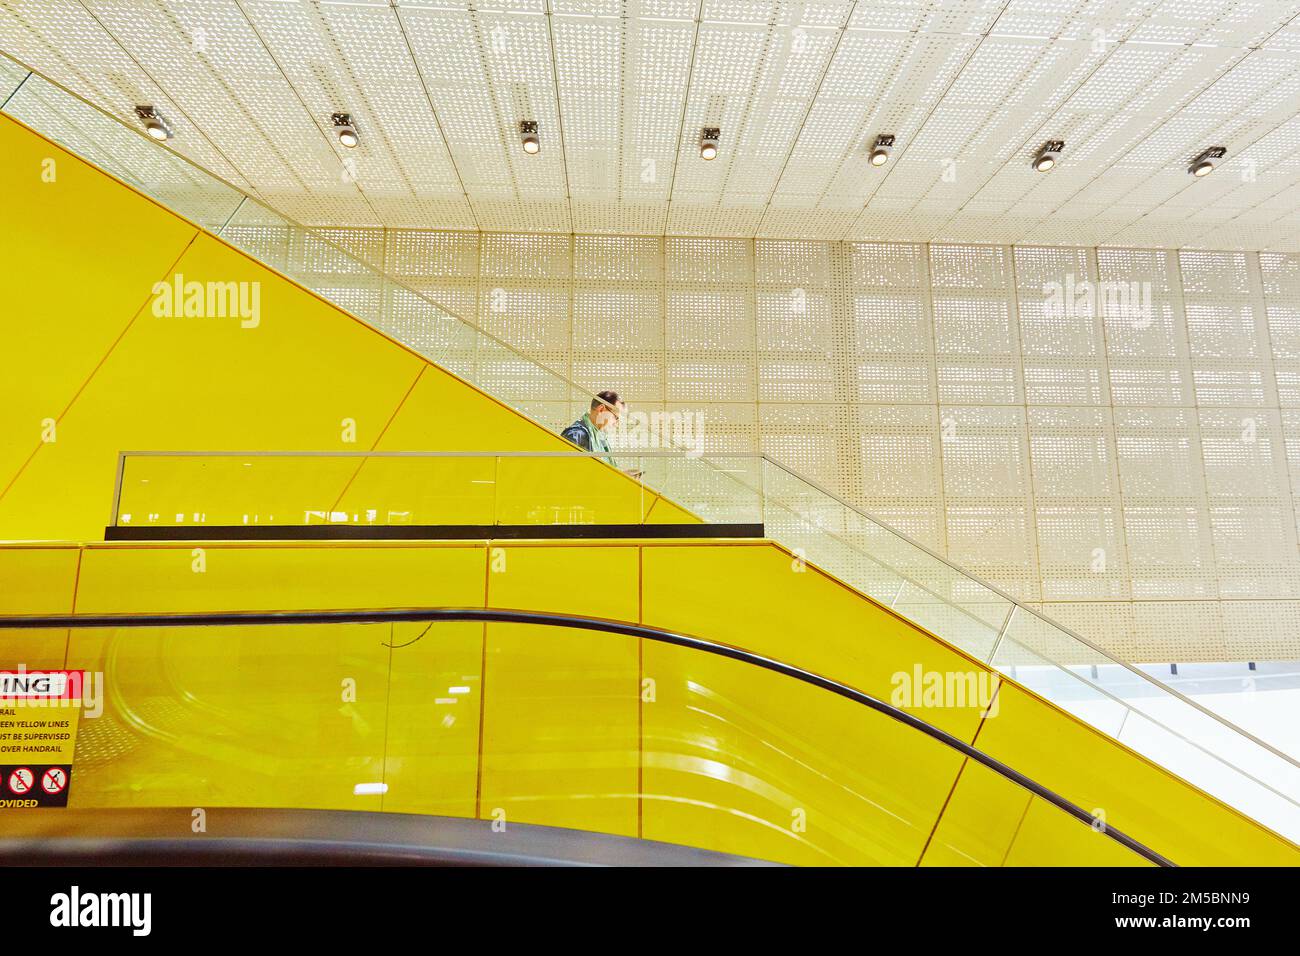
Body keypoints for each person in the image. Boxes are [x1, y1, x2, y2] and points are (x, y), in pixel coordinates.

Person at [562, 390, 626, 470]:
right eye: (616, 418)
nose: (616, 424)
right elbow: (566, 472)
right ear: (601, 409)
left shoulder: (600, 438)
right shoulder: (576, 435)